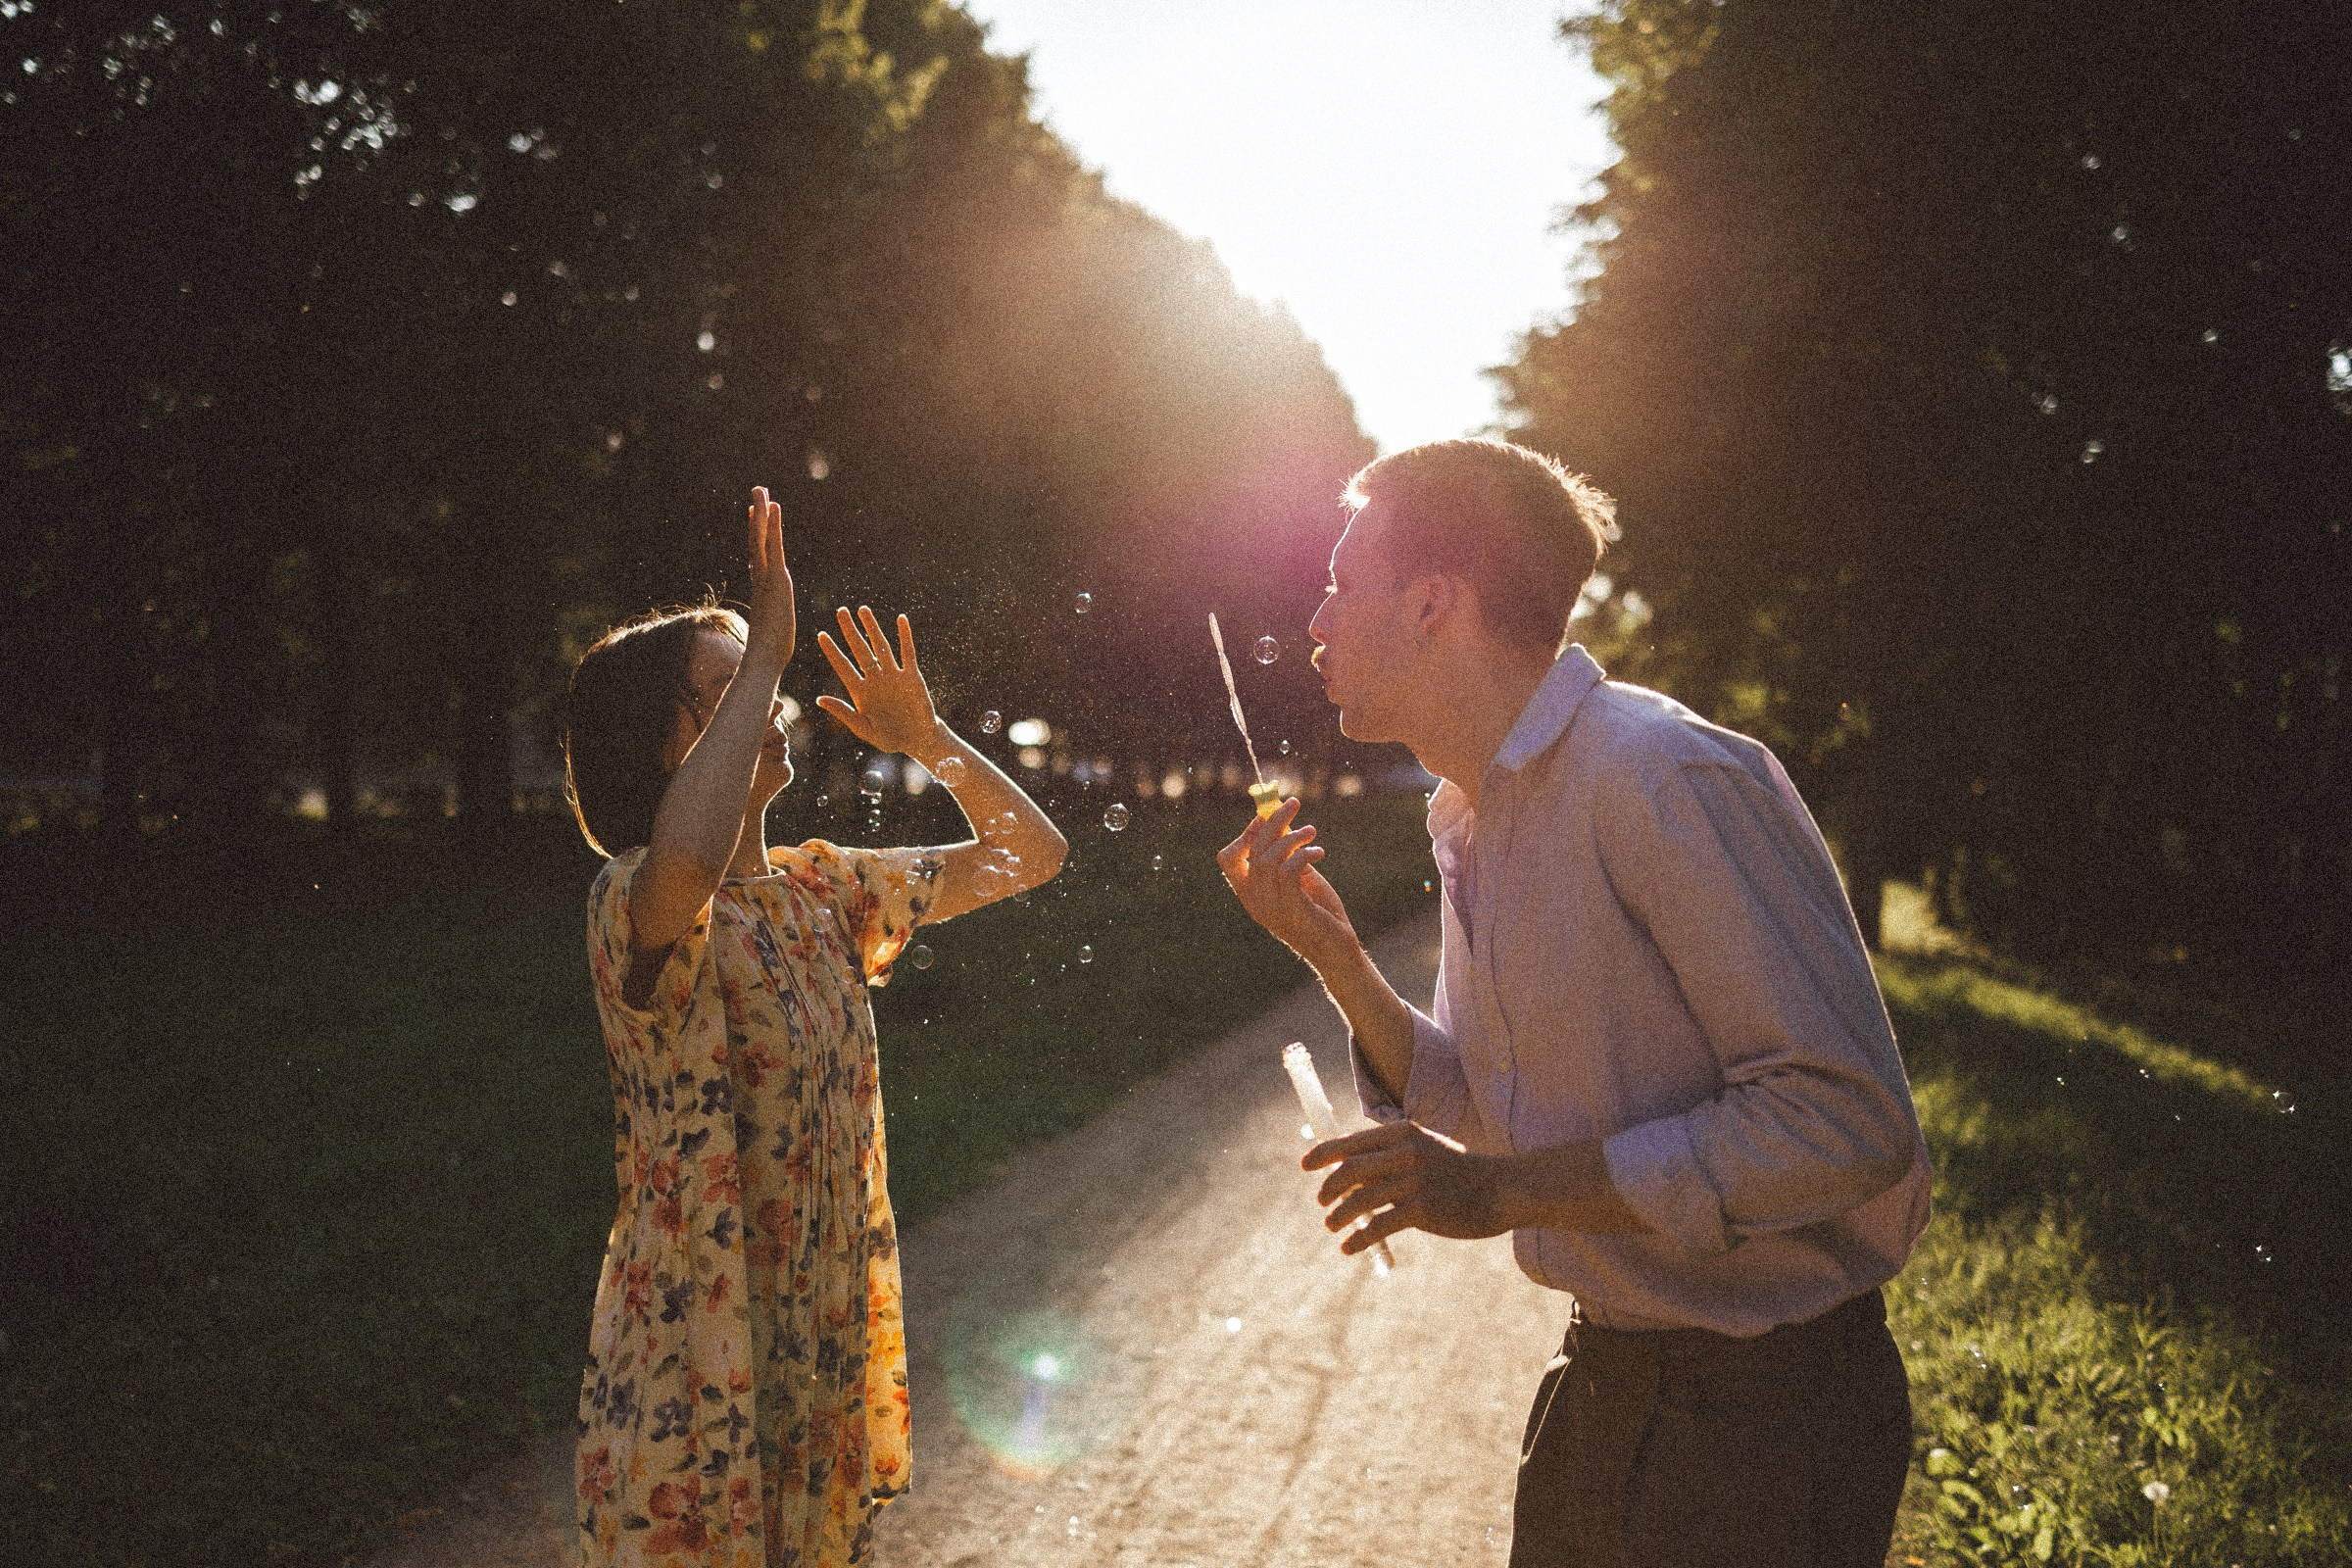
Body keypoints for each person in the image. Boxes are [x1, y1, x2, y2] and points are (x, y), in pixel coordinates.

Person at [1217, 439, 1930, 1568]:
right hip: (1605, 1387)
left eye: (1342, 585)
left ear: (1433, 605)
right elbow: (1496, 1104)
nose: (1315, 622)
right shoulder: (1474, 811)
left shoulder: (1662, 777)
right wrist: (1337, 956)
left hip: (1763, 1419)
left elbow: (1846, 1123)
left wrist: (1499, 1193)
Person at [562, 487, 1067, 1567]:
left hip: (815, 1347)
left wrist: (928, 736)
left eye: (766, 683)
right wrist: (766, 649)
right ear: (662, 747)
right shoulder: (630, 903)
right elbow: (686, 864)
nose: (773, 702)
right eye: (730, 690)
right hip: (690, 1376)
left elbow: (1033, 853)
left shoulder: (824, 891)